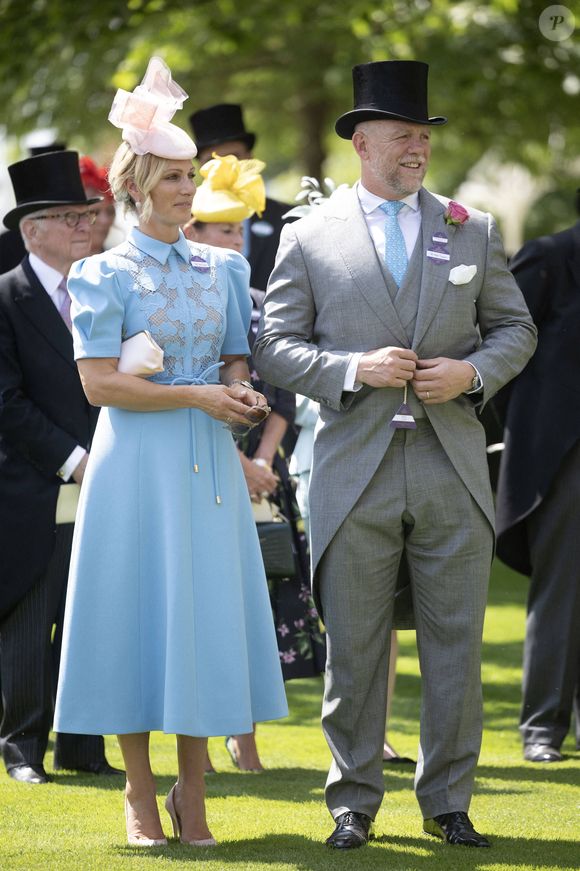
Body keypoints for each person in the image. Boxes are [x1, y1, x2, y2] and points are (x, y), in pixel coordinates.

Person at [254, 60, 537, 849]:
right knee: (354, 648)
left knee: (456, 645)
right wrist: (352, 370)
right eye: (403, 134)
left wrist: (473, 372)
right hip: (351, 469)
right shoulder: (308, 237)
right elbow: (274, 346)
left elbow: (517, 329)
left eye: (424, 135)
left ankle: (449, 802)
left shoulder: (470, 227)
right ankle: (352, 801)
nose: (417, 147)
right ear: (362, 141)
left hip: (453, 467)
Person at [53, 57, 287, 847]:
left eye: (193, 176)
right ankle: (138, 790)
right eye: (177, 178)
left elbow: (231, 363)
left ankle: (195, 794)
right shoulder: (99, 274)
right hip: (131, 470)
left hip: (208, 469)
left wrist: (240, 394)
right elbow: (97, 388)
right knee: (132, 616)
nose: (192, 190)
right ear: (140, 184)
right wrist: (198, 396)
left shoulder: (225, 267)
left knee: (198, 621)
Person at [185, 154, 325, 772]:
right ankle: (196, 746)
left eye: (239, 229)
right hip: (198, 468)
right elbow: (184, 390)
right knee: (198, 605)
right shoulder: (181, 302)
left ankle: (245, 741)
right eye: (221, 229)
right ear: (191, 232)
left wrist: (264, 461)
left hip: (265, 479)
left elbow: (285, 395)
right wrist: (239, 465)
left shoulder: (260, 299)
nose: (233, 240)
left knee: (252, 608)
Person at [0, 149, 122, 783]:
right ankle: (22, 748)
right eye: (69, 216)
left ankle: (83, 744)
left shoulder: (107, 287)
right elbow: (5, 402)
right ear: (31, 230)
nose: (85, 226)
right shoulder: (5, 298)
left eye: (88, 214)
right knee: (30, 613)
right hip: (34, 484)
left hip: (108, 479)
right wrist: (75, 460)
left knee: (93, 610)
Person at [495, 195, 580, 764]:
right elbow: (500, 357)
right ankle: (543, 728)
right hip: (565, 459)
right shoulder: (549, 258)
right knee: (564, 592)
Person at [188, 103, 290, 292]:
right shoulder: (184, 220)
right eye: (213, 161)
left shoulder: (288, 219)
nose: (225, 166)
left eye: (233, 157)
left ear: (250, 157)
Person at [78, 156, 117, 254]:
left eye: (110, 212)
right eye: (94, 212)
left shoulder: (121, 265)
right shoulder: (55, 267)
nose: (105, 221)